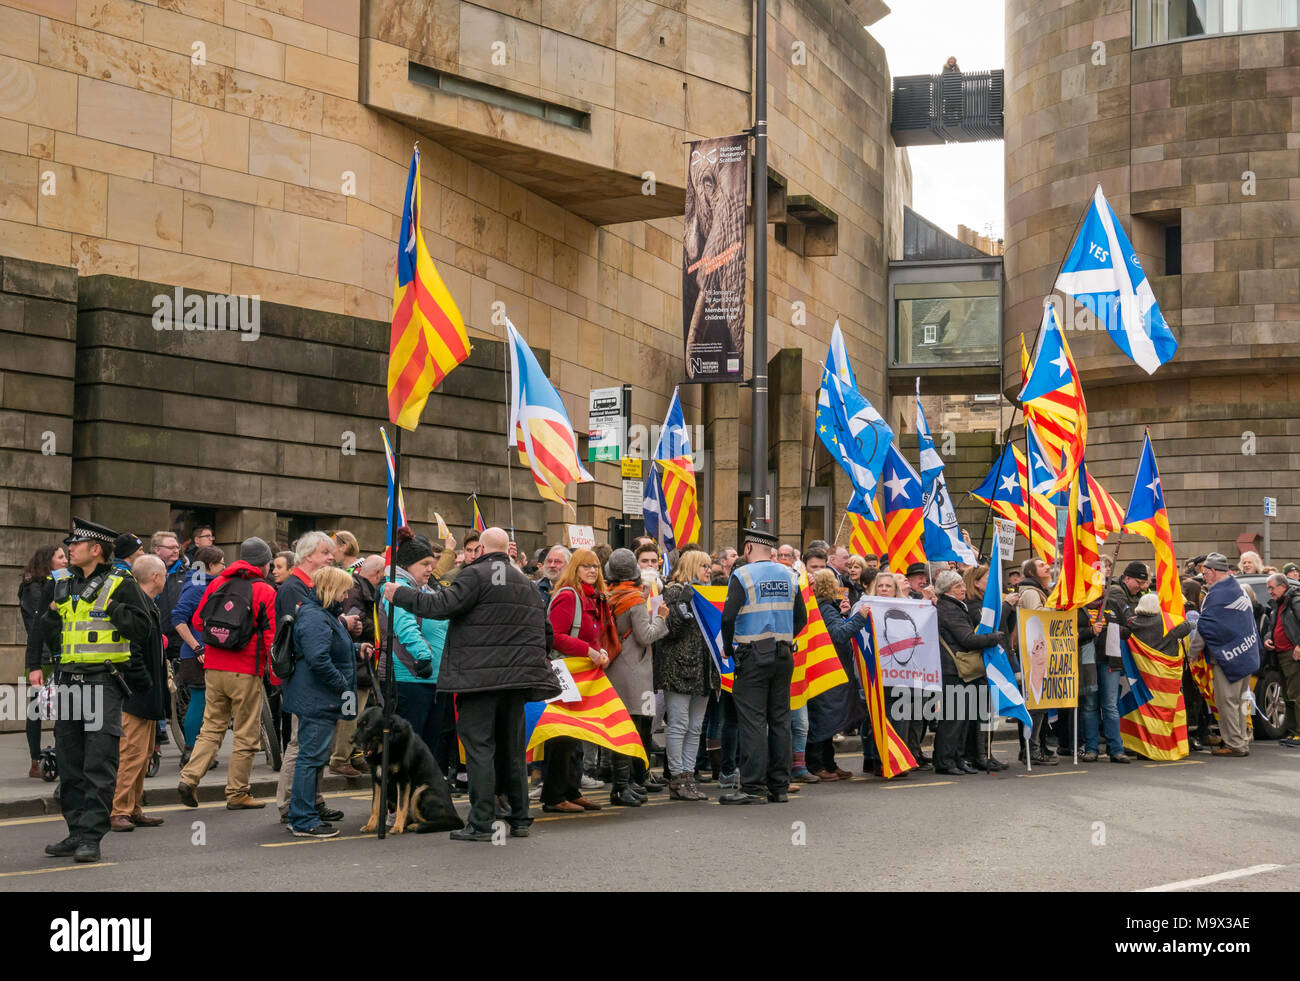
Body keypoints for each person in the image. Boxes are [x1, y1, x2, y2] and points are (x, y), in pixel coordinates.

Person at [382, 527, 560, 841]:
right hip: (517, 681)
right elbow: (546, 634)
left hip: (478, 680)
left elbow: (439, 606)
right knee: (514, 750)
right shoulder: (527, 585)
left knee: (480, 749)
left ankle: (481, 822)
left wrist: (400, 594)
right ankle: (519, 818)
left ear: (479, 549)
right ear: (508, 550)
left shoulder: (474, 576)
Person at [37, 518, 153, 864]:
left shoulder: (121, 582)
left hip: (103, 681)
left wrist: (114, 610)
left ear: (96, 549)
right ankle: (74, 831)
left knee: (98, 762)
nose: (69, 548)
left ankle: (91, 836)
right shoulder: (61, 583)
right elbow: (48, 628)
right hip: (69, 681)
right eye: (69, 544)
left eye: (76, 543)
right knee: (70, 762)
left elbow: (142, 629)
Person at [177, 537, 278, 810]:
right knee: (246, 734)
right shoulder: (265, 591)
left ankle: (189, 777)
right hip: (245, 670)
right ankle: (237, 793)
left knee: (211, 728)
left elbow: (198, 620)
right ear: (264, 564)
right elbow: (271, 636)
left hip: (212, 667)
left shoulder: (218, 583)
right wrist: (274, 672)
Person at [719, 528, 807, 805]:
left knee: (753, 722)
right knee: (780, 720)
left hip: (753, 654)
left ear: (747, 549)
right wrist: (782, 636)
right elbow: (801, 618)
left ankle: (753, 786)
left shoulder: (742, 575)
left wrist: (728, 648)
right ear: (771, 550)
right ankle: (779, 786)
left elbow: (728, 618)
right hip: (783, 655)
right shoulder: (790, 575)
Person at [284, 566, 362, 838]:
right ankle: (303, 819)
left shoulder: (321, 614)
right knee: (310, 759)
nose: (345, 595)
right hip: (318, 699)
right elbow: (318, 658)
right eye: (343, 590)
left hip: (318, 697)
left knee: (313, 759)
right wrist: (342, 684)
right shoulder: (316, 617)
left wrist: (356, 649)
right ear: (330, 589)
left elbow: (327, 649)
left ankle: (305, 813)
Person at [274, 531, 344, 826]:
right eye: (325, 552)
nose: (331, 557)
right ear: (307, 556)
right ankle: (292, 805)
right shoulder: (294, 588)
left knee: (313, 747)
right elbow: (307, 640)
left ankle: (312, 801)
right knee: (301, 745)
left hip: (310, 683)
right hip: (305, 683)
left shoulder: (308, 586)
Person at [541, 547, 614, 813]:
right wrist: (589, 651)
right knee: (562, 736)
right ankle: (554, 796)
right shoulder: (569, 596)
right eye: (586, 566)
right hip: (565, 673)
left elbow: (590, 635)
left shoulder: (592, 597)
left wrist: (599, 650)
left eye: (595, 566)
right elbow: (554, 635)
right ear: (575, 569)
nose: (593, 570)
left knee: (576, 736)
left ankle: (571, 791)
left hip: (582, 675)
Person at [605, 549, 670, 805]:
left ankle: (625, 784)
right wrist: (662, 619)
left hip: (614, 668)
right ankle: (624, 786)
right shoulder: (633, 599)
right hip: (635, 672)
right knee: (632, 729)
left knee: (621, 728)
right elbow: (646, 635)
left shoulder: (610, 595)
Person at [110, 554, 170, 832]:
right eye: (165, 573)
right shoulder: (138, 606)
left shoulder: (148, 605)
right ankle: (118, 810)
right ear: (155, 577)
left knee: (143, 755)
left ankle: (133, 808)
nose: (167, 578)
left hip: (146, 696)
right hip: (135, 696)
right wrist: (145, 683)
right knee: (130, 755)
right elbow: (130, 652)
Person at [379, 529, 447, 764]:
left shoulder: (425, 589)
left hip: (432, 679)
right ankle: (401, 798)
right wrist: (423, 656)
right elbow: (404, 624)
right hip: (409, 677)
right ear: (408, 565)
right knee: (409, 749)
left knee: (428, 748)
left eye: (432, 563)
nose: (431, 568)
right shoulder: (394, 588)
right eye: (425, 563)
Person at [657, 550, 719, 800]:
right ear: (691, 566)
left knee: (695, 728)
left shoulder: (708, 593)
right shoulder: (673, 591)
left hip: (703, 669)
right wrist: (680, 614)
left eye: (709, 565)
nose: (708, 570)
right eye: (703, 565)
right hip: (679, 667)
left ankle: (688, 775)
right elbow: (666, 631)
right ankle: (677, 777)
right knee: (679, 724)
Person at [933, 570, 1007, 775]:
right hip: (954, 669)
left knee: (962, 719)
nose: (963, 589)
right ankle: (945, 761)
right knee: (953, 719)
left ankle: (957, 759)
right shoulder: (949, 608)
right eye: (958, 587)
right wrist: (994, 638)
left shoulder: (954, 606)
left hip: (959, 669)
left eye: (962, 585)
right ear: (947, 590)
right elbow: (966, 639)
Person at [1197, 553, 1261, 758]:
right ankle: (1241, 739)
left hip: (1228, 657)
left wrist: (1192, 652)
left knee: (1227, 702)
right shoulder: (1239, 589)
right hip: (1246, 654)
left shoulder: (1217, 594)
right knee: (1241, 701)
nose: (1204, 576)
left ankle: (1234, 744)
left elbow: (1205, 627)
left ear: (1214, 572)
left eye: (1205, 572)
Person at [808, 570, 866, 781]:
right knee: (825, 719)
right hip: (829, 671)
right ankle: (817, 765)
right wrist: (859, 618)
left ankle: (829, 764)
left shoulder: (825, 608)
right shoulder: (826, 608)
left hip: (828, 670)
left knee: (828, 719)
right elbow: (839, 634)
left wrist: (843, 616)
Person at [171, 546, 225, 762]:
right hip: (196, 654)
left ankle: (202, 751)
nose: (224, 566)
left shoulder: (205, 583)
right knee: (199, 701)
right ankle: (191, 750)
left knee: (206, 703)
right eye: (221, 563)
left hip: (207, 652)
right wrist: (197, 647)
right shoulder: (196, 586)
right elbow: (178, 619)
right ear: (210, 565)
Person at [331, 554, 384, 775]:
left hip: (361, 661)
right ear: (378, 573)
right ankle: (340, 757)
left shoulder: (362, 589)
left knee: (359, 710)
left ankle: (353, 754)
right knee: (350, 710)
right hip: (355, 661)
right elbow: (356, 623)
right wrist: (380, 622)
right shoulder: (355, 590)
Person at [19, 544, 65, 777]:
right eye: (60, 557)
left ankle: (58, 754)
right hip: (43, 655)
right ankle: (36, 760)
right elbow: (39, 622)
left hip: (53, 652)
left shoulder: (54, 584)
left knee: (62, 706)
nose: (65, 560)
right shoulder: (34, 588)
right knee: (37, 706)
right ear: (48, 561)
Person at [1098, 562, 1149, 764]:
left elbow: (1131, 623)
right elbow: (1129, 620)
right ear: (1127, 578)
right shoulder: (1117, 593)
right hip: (1107, 655)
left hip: (1116, 656)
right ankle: (1100, 746)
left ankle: (1117, 746)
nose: (1141, 586)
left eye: (1143, 582)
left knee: (1112, 703)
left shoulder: (1133, 594)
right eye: (1138, 582)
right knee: (1102, 704)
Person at [961, 564, 1009, 771]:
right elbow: (984, 628)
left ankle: (986, 752)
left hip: (993, 661)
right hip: (979, 663)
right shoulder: (972, 606)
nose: (992, 581)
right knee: (981, 712)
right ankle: (979, 755)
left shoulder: (986, 603)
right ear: (976, 581)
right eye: (988, 577)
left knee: (989, 711)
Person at [1016, 557, 1060, 764]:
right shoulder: (1032, 592)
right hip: (1032, 654)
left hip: (1038, 652)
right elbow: (1039, 615)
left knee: (1040, 702)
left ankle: (1037, 746)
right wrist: (1058, 608)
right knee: (1035, 703)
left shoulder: (1040, 590)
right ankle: (1031, 749)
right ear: (1032, 573)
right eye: (1041, 565)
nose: (1047, 567)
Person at [1262, 572, 1300, 747]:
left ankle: (1298, 733)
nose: (1269, 591)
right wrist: (1269, 638)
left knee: (1296, 694)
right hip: (1281, 655)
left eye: (1272, 587)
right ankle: (1293, 732)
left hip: (1293, 654)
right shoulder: (1278, 605)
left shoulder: (1294, 601)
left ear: (1282, 586)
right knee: (1287, 694)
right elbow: (1273, 626)